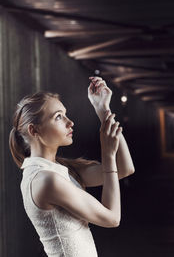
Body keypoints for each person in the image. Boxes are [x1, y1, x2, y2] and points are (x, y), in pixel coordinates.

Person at [9, 76, 135, 257]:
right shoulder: (46, 180)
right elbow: (112, 218)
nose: (70, 122)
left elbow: (124, 168)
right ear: (34, 130)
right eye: (58, 117)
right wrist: (107, 154)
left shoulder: (58, 170)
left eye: (65, 114)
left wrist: (103, 110)